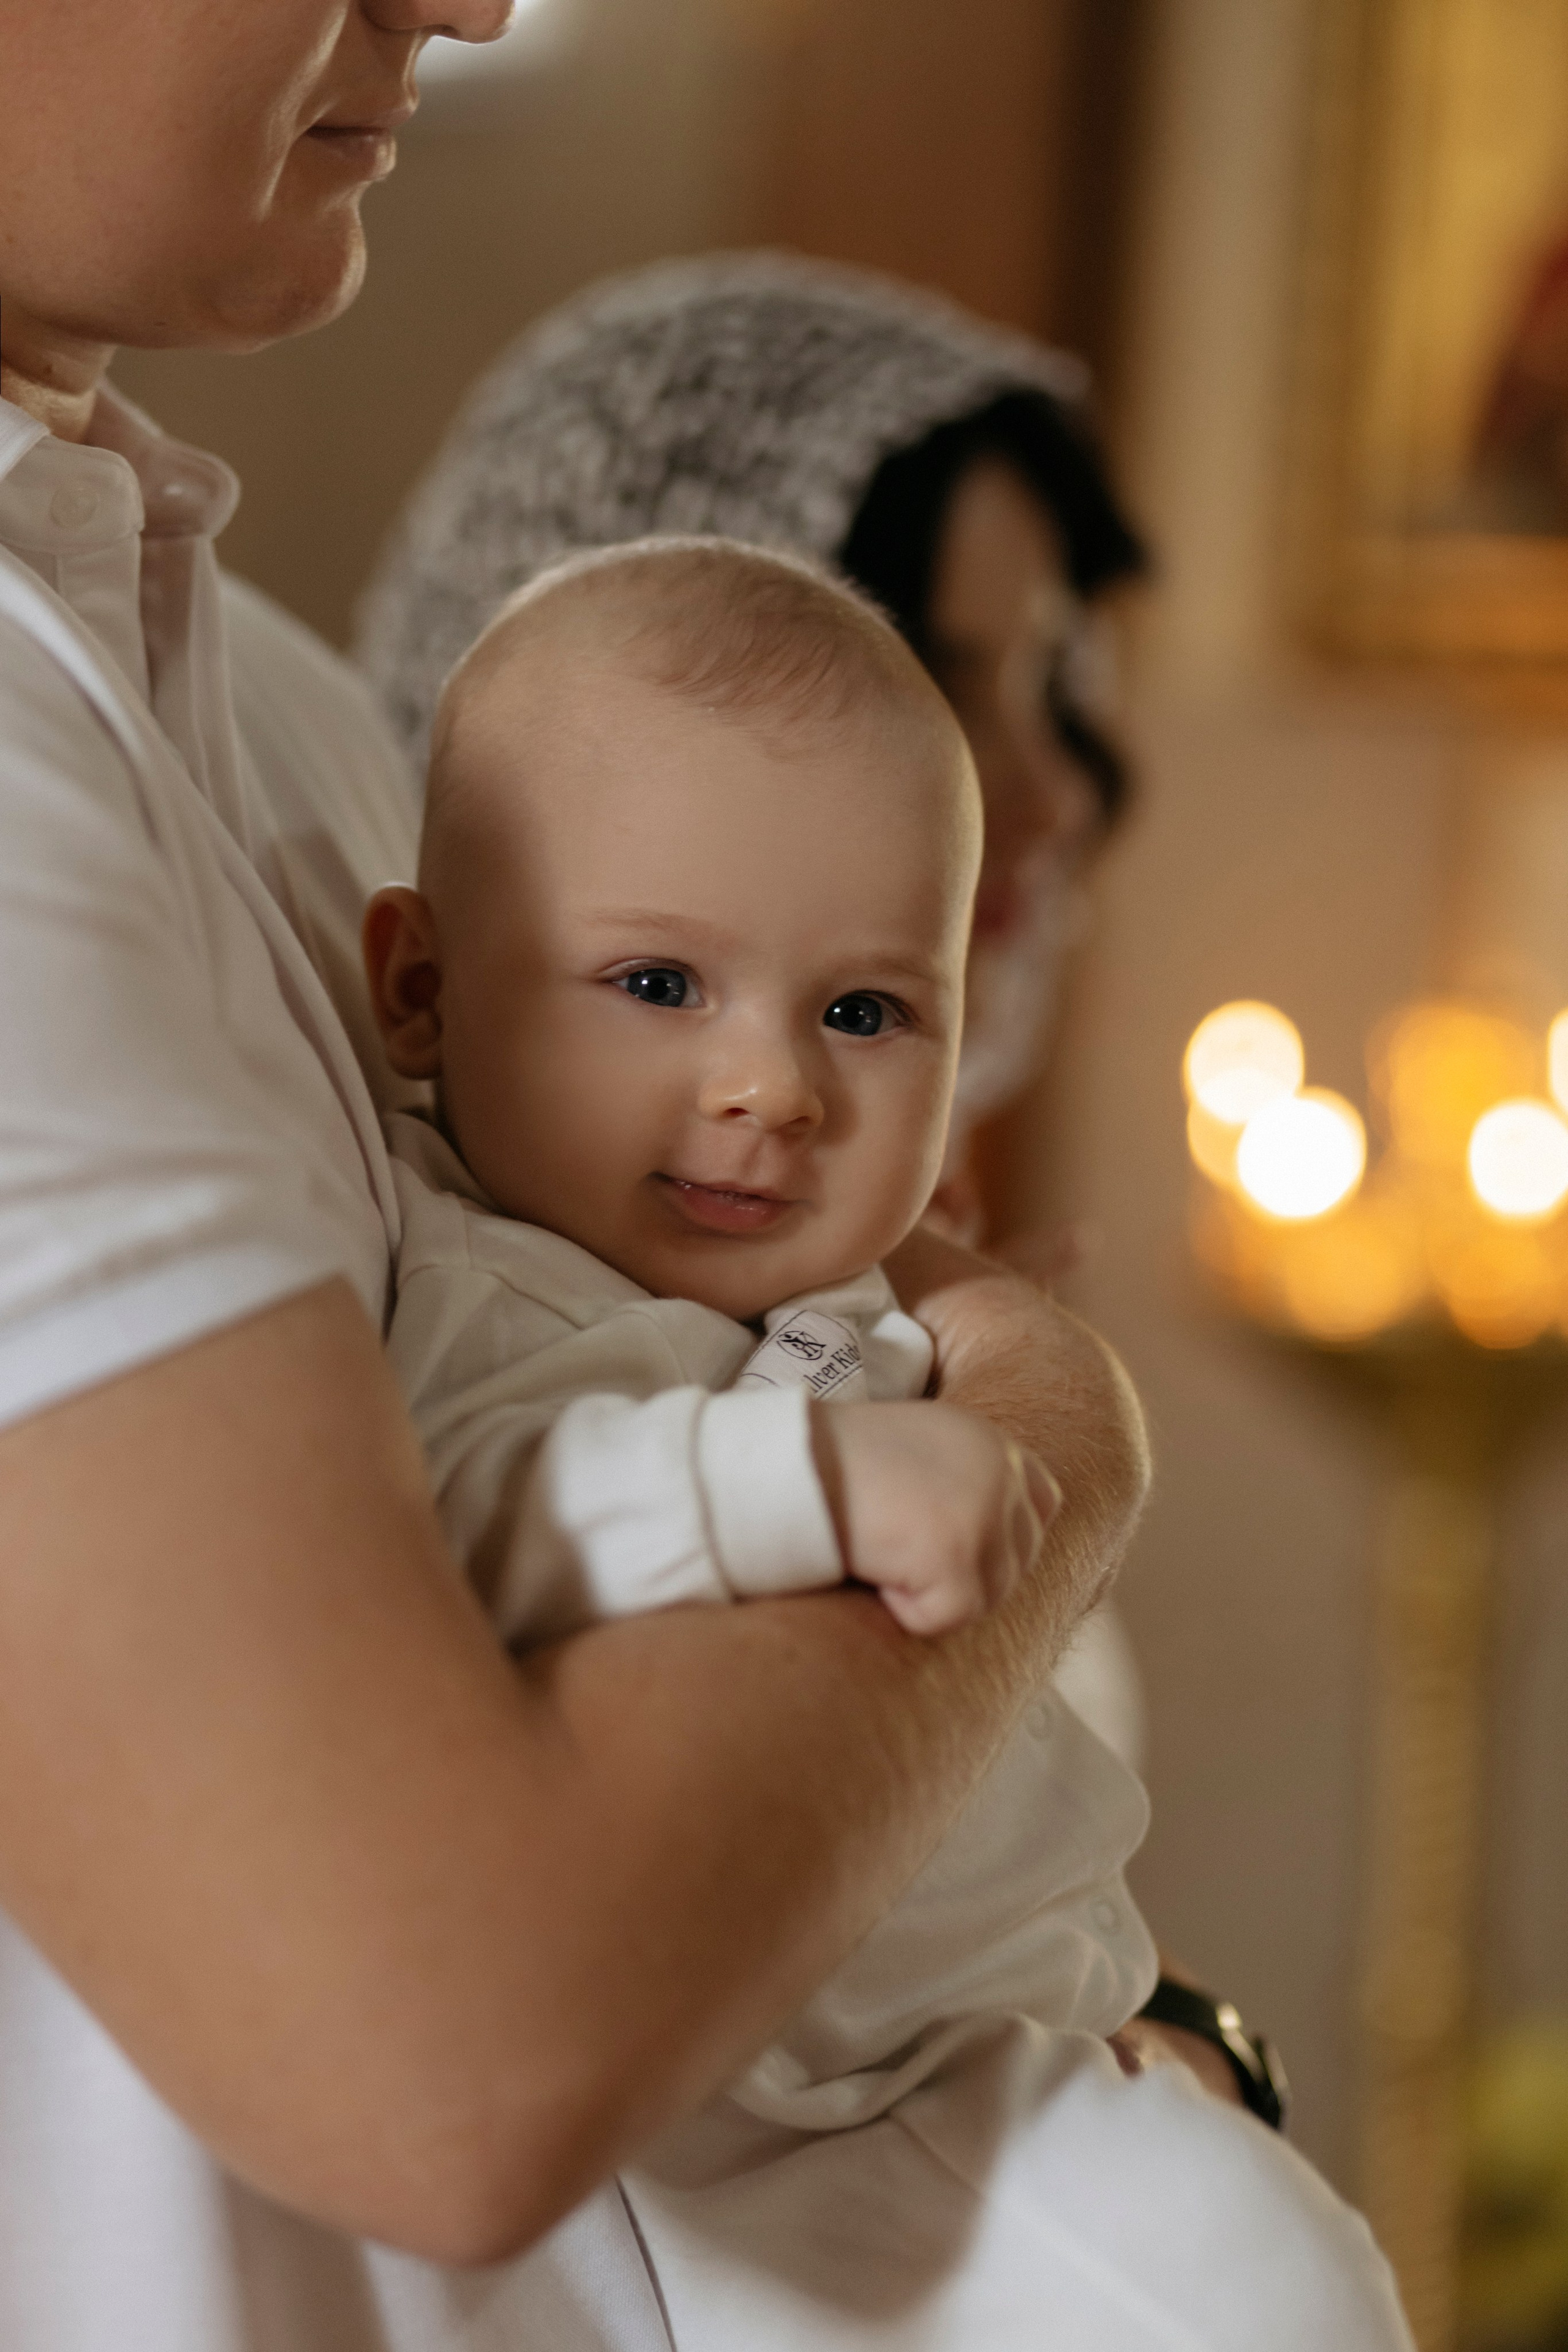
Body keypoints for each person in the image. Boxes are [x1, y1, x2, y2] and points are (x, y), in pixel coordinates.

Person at [0, 9, 1411, 2347]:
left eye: (867, 1006)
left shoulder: (259, 695)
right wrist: (1053, 1428)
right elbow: (447, 2047)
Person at [367, 535, 1156, 2127]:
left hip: (1012, 2049)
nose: (776, 1090)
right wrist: (812, 1482)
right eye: (660, 982)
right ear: (421, 992)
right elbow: (467, 1523)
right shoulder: (486, 1292)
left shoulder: (847, 1302)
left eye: (865, 1015)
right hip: (771, 2121)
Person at [355, 246, 1152, 1760]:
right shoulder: (483, 1280)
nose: (1040, 789)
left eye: (1052, 682)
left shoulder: (856, 1247)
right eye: (937, 674)